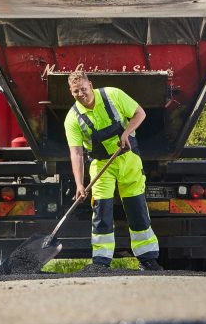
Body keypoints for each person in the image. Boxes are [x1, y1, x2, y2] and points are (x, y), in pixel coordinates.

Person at [63, 72, 162, 270]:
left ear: (90, 85)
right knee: (102, 211)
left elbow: (140, 113)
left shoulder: (113, 95)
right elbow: (76, 153)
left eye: (83, 89)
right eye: (76, 91)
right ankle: (101, 262)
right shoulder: (72, 119)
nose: (81, 94)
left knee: (136, 208)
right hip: (101, 165)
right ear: (71, 92)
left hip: (128, 159)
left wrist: (126, 133)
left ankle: (147, 259)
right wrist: (80, 184)